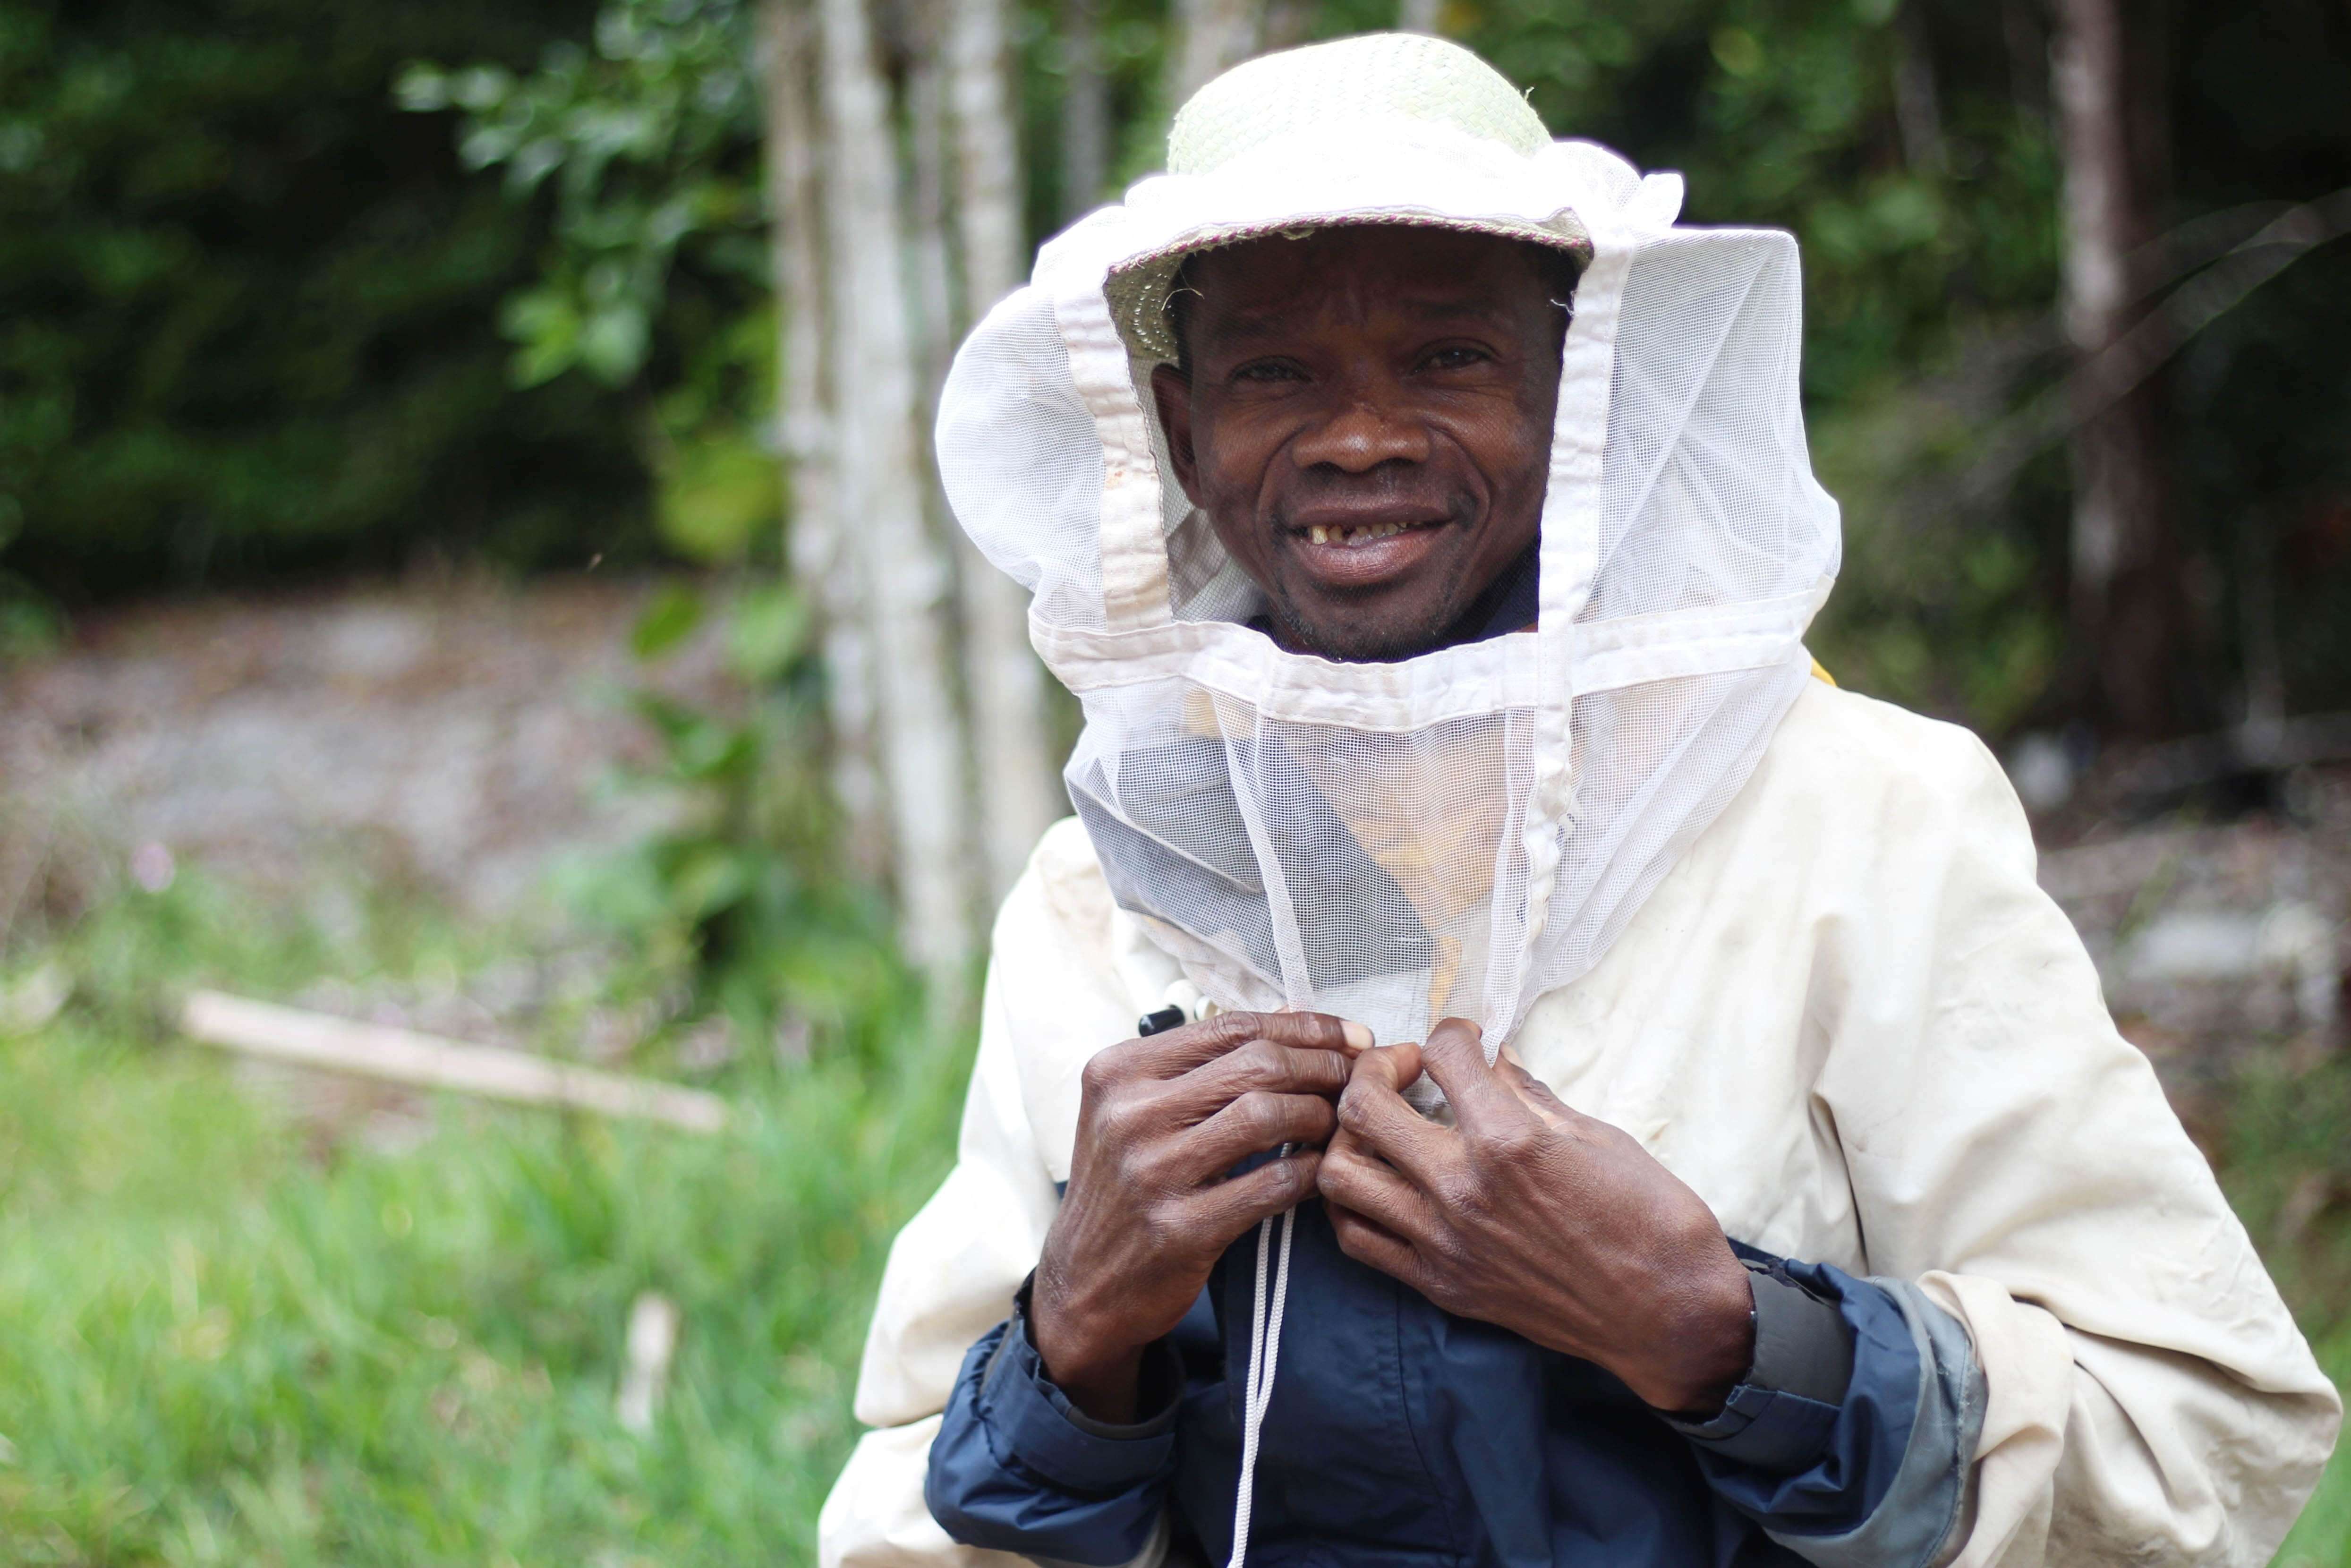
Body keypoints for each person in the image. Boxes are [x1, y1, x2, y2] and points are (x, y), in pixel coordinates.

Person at [818, 32, 2340, 1568]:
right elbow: (903, 1520)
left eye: (1448, 358)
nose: (1356, 435)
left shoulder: (1851, 814)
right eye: (1273, 369)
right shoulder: (1111, 885)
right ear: (1179, 431)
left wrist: (1719, 1334)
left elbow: (2199, 1432)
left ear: (1577, 394)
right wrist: (1076, 1343)